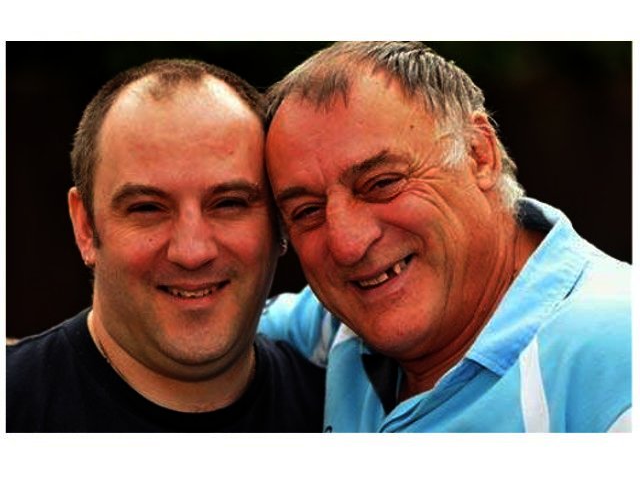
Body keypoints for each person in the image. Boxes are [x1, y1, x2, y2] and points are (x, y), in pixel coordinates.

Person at [259, 42, 631, 432]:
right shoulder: (334, 324)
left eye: (382, 183)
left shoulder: (614, 353)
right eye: (307, 211)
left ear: (478, 154)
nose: (347, 245)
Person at [6, 58, 325, 432]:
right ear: (85, 227)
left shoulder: (342, 415)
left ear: (280, 223)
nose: (192, 252)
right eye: (147, 208)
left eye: (229, 203)